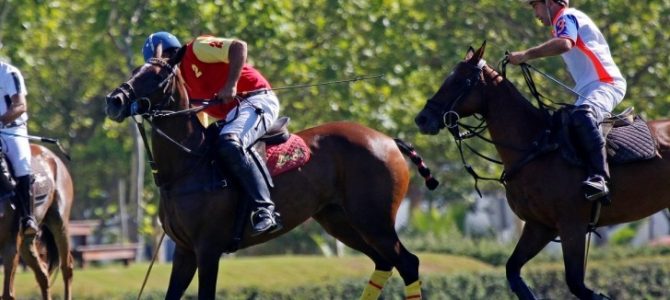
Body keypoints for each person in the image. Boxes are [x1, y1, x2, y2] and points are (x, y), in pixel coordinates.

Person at [142, 32, 282, 235]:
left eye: (163, 61)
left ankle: (264, 209)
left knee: (230, 143)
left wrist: (231, 85)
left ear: (172, 53)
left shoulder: (197, 49)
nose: (162, 68)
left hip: (256, 99)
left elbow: (238, 46)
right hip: (233, 116)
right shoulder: (179, 85)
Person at [508, 0, 627, 202]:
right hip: (590, 88)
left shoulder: (565, 16)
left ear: (550, 3)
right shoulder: (562, 22)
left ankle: (600, 178)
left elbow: (565, 43)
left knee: (583, 116)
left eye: (535, 5)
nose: (535, 12)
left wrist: (526, 54)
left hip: (606, 83)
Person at [0, 60, 37, 235]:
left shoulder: (9, 73)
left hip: (11, 130)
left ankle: (27, 218)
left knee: (21, 165)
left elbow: (20, 106)